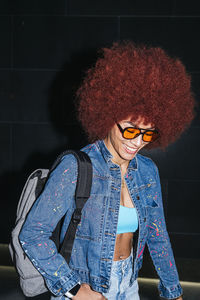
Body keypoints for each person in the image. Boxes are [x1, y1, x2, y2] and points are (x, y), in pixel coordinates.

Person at [19, 41, 195, 300]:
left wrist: (173, 291)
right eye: (131, 129)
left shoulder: (147, 171)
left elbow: (158, 236)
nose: (138, 142)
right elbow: (32, 234)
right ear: (108, 114)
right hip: (87, 287)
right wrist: (74, 289)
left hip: (130, 284)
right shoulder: (76, 168)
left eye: (148, 133)